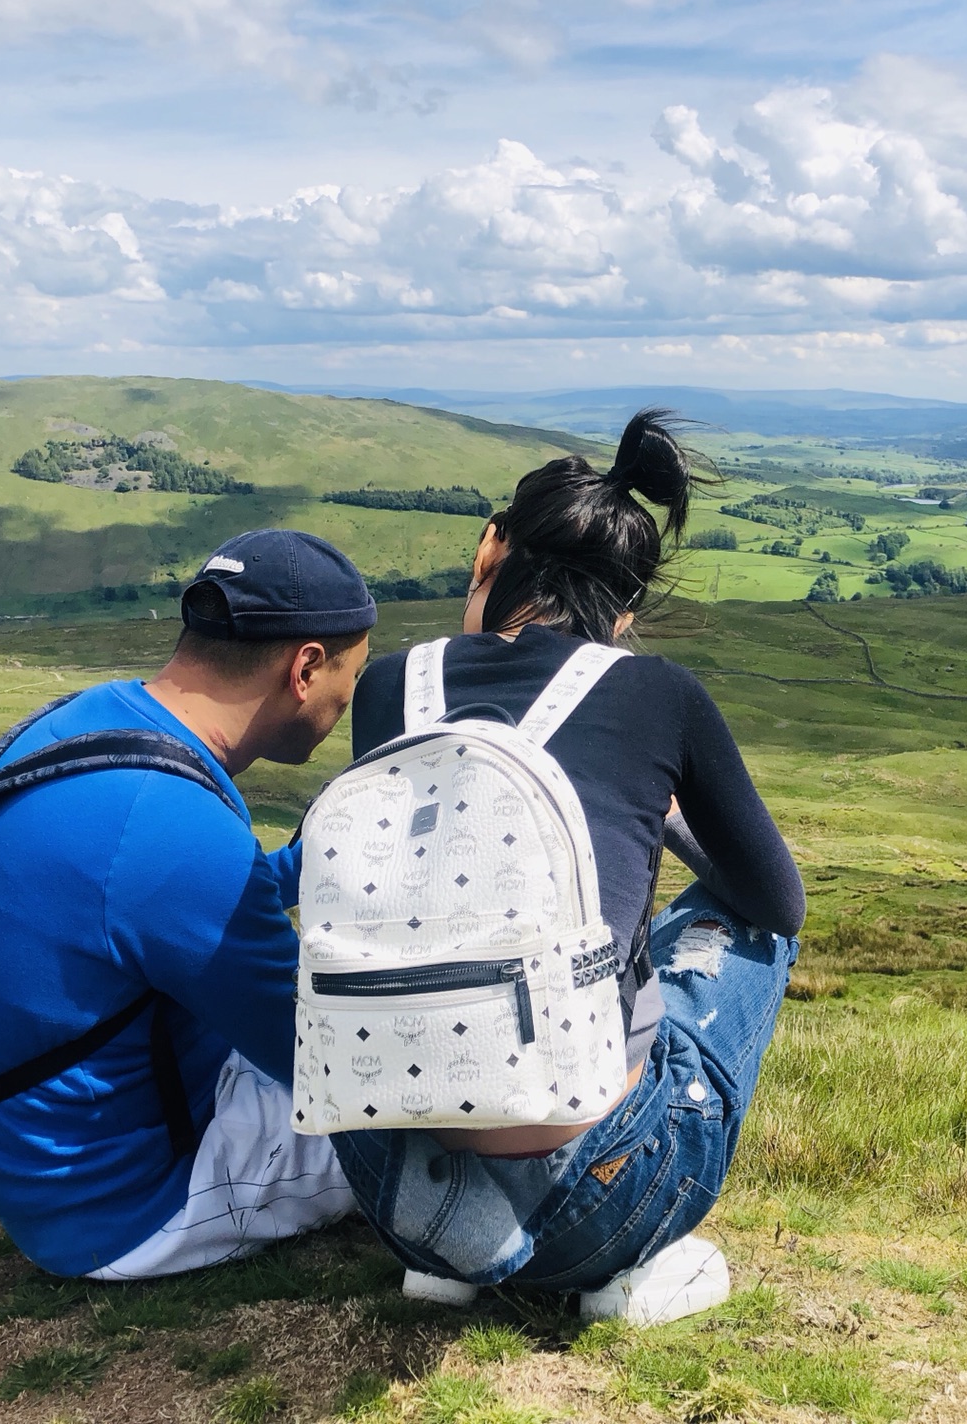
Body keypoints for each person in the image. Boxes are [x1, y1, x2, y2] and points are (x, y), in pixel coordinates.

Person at [333, 410, 806, 1323]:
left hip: (394, 1188)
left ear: (490, 552)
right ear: (625, 608)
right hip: (602, 1198)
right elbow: (776, 899)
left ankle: (463, 1251)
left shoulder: (390, 683)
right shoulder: (660, 693)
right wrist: (664, 816)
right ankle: (620, 1271)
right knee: (741, 926)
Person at [0, 529, 373, 1279]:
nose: (347, 700)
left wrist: (306, 862)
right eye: (351, 676)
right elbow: (325, 1070)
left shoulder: (86, 723)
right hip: (131, 1206)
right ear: (304, 668)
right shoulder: (177, 830)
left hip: (31, 1164)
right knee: (437, 1115)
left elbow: (148, 912)